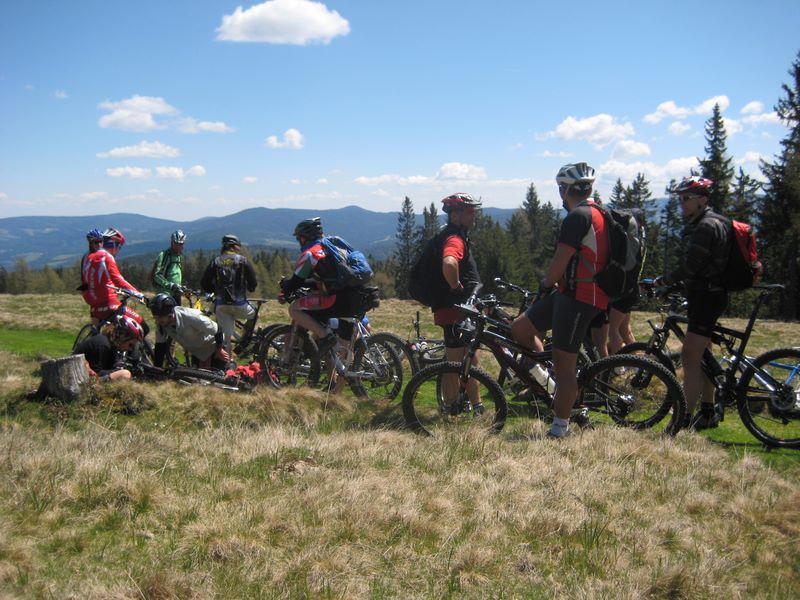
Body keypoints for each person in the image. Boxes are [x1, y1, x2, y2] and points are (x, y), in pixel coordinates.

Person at [510, 162, 609, 438]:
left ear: (565, 190)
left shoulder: (578, 217)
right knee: (520, 328)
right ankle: (546, 383)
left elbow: (559, 262)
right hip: (569, 293)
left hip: (580, 298)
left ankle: (560, 427)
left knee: (565, 367)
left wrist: (545, 284)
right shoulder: (598, 212)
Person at [655, 176, 730, 429]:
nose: (682, 203)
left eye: (686, 198)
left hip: (707, 298)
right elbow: (704, 268)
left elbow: (692, 266)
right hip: (712, 295)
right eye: (680, 198)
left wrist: (665, 281)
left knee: (690, 356)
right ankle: (707, 412)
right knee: (705, 355)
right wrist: (675, 286)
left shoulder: (706, 227)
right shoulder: (718, 222)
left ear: (702, 200)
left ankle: (682, 419)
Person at [430, 193, 484, 415]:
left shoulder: (456, 235)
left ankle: (475, 406)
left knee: (471, 359)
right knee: (455, 363)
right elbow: (449, 263)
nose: (474, 216)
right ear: (455, 215)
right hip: (454, 309)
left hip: (459, 309)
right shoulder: (454, 238)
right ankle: (450, 409)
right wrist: (456, 287)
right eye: (469, 212)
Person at [278, 217, 364, 356]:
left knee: (294, 309)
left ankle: (325, 337)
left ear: (303, 238)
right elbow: (328, 277)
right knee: (343, 352)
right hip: (355, 295)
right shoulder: (333, 247)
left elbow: (296, 281)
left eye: (299, 238)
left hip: (336, 300)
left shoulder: (310, 254)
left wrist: (286, 285)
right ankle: (347, 370)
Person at [200, 234, 258, 356]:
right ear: (234, 246)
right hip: (240, 305)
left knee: (226, 338)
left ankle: (228, 362)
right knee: (254, 314)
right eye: (238, 246)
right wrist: (250, 288)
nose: (240, 248)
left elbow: (204, 283)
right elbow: (253, 282)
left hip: (221, 305)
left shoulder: (216, 261)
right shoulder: (243, 260)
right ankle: (244, 342)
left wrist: (215, 290)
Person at [149, 293, 231, 370]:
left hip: (215, 347)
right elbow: (160, 346)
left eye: (160, 317)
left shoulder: (191, 317)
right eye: (155, 317)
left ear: (170, 314)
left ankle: (231, 365)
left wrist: (219, 349)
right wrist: (157, 369)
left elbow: (218, 329)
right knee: (196, 379)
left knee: (222, 375)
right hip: (198, 353)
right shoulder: (162, 324)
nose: (157, 321)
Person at [79, 227, 143, 326]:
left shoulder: (86, 257)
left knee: (101, 331)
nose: (118, 250)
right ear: (113, 244)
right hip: (110, 304)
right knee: (142, 325)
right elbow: (118, 280)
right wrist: (138, 295)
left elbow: (85, 281)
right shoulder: (106, 257)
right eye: (118, 246)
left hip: (93, 307)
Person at [72, 315, 144, 382]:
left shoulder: (111, 345)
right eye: (131, 345)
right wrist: (118, 371)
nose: (131, 349)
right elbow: (97, 372)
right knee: (125, 374)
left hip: (83, 378)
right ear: (122, 336)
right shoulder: (103, 344)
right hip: (76, 380)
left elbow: (111, 366)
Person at [151, 229, 186, 366]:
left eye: (181, 244)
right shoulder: (165, 255)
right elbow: (157, 275)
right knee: (162, 332)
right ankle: (158, 365)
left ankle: (170, 361)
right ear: (172, 243)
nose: (179, 246)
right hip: (164, 298)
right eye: (177, 243)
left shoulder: (179, 256)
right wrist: (170, 285)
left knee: (174, 330)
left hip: (175, 297)